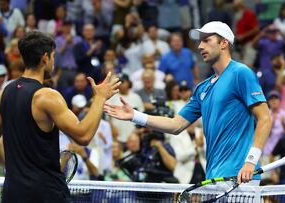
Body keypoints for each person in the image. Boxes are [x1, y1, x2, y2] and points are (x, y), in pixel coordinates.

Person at [104, 21, 272, 184]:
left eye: (207, 40)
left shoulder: (241, 73)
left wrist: (250, 161)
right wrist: (135, 115)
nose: (200, 46)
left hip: (241, 176)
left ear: (224, 43)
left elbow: (265, 118)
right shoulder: (202, 89)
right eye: (200, 42)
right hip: (213, 177)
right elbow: (175, 125)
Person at [0, 31, 120, 202]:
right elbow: (83, 136)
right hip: (46, 194)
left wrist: (15, 170)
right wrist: (100, 98)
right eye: (54, 56)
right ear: (45, 58)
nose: (54, 62)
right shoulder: (46, 96)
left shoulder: (3, 94)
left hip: (13, 193)